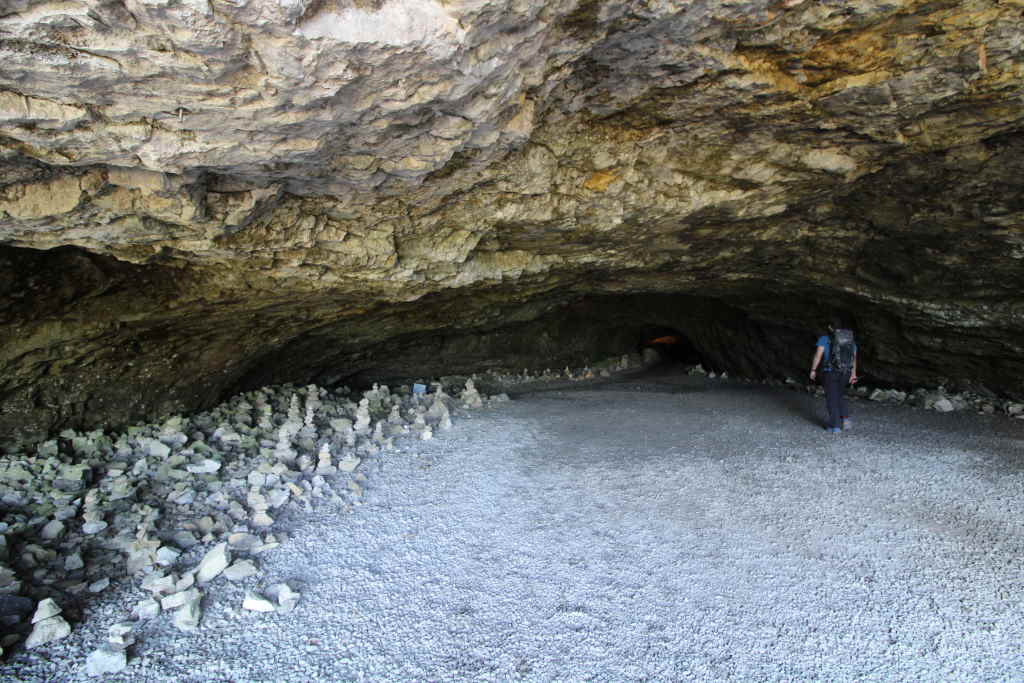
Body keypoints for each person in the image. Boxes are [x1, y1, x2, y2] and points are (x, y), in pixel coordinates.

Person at [809, 317, 858, 433]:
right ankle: (845, 419)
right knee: (839, 395)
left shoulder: (824, 339)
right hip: (846, 373)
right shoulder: (851, 341)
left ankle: (834, 426)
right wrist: (853, 374)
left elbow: (818, 356)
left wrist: (813, 370)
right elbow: (854, 359)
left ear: (830, 327)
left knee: (831, 398)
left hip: (830, 372)